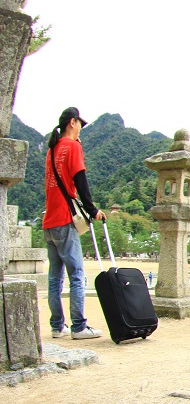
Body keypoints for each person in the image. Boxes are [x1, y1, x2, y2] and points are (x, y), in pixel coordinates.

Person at [43, 107, 106, 339]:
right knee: (77, 275)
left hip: (48, 221)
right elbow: (81, 182)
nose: (81, 128)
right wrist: (93, 210)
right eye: (80, 123)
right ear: (72, 122)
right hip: (63, 220)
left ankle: (57, 325)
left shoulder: (51, 149)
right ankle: (79, 326)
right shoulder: (72, 147)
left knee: (54, 277)